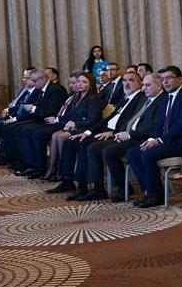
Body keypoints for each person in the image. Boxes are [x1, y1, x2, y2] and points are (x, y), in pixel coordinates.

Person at [125, 66, 182, 208]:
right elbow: (160, 124)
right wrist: (151, 140)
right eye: (163, 79)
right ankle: (148, 191)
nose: (165, 82)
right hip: (171, 142)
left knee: (148, 155)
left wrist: (160, 140)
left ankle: (156, 196)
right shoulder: (167, 98)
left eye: (169, 78)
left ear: (180, 79)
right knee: (133, 153)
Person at [60, 72, 147, 201]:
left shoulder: (140, 98)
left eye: (131, 80)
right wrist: (87, 132)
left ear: (140, 84)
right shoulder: (125, 97)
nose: (126, 83)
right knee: (73, 142)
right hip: (107, 130)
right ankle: (77, 184)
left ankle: (98, 188)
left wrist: (113, 133)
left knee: (91, 147)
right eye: (124, 80)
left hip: (119, 134)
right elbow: (108, 119)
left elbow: (130, 121)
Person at [104, 74, 167, 202]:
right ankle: (141, 189)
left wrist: (129, 135)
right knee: (105, 148)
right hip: (133, 135)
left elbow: (154, 126)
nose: (144, 88)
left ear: (159, 85)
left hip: (144, 138)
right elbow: (131, 119)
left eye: (147, 85)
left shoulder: (162, 100)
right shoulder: (146, 99)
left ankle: (139, 189)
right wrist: (122, 132)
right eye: (143, 85)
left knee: (111, 151)